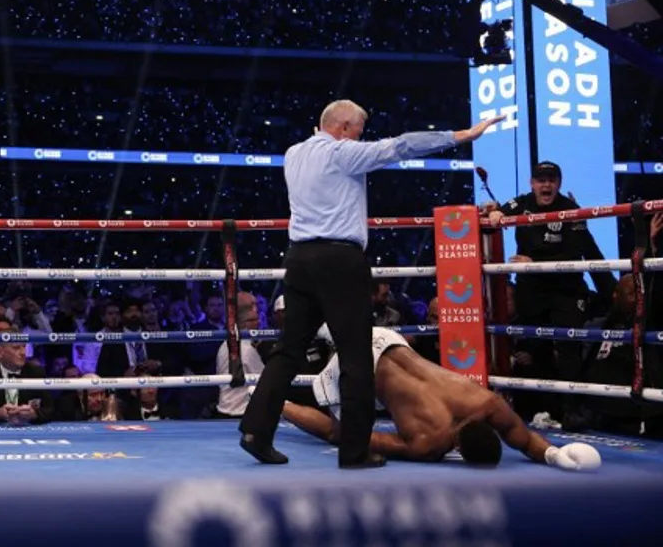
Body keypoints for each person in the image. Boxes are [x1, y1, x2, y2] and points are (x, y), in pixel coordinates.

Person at [239, 100, 503, 470]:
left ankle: (256, 430)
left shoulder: (294, 153)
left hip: (299, 259)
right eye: (359, 131)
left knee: (288, 351)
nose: (361, 137)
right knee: (356, 355)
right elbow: (402, 145)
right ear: (344, 128)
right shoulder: (342, 153)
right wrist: (462, 135)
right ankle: (354, 451)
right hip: (339, 261)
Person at [281, 327, 602, 472]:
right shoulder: (429, 443)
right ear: (458, 450)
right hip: (356, 369)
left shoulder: (487, 403)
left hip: (387, 338)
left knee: (325, 324)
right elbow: (342, 435)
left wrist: (555, 454)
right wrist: (553, 457)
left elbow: (525, 439)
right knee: (341, 430)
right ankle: (277, 403)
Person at [485, 162, 617, 420]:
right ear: (532, 183)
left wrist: (535, 265)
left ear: (559, 182)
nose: (546, 185)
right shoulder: (522, 204)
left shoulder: (571, 211)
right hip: (532, 290)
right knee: (535, 347)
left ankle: (571, 410)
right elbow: (500, 211)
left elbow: (573, 253)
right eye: (541, 180)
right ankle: (544, 410)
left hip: (565, 289)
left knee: (569, 348)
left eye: (551, 179)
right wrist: (496, 213)